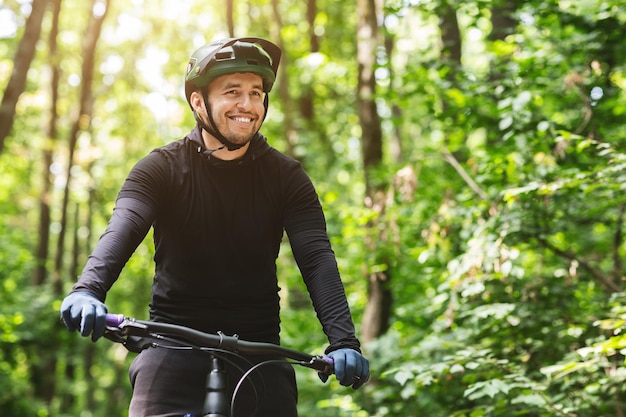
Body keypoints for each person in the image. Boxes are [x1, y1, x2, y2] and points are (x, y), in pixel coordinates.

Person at [59, 36, 369, 417]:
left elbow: (317, 258)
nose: (248, 104)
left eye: (256, 93)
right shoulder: (160, 169)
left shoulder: (287, 177)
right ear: (198, 102)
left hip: (259, 353)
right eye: (233, 91)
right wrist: (88, 289)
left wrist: (343, 341)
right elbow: (123, 227)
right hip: (171, 346)